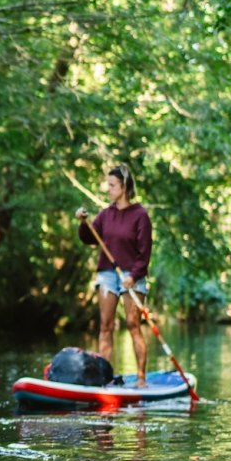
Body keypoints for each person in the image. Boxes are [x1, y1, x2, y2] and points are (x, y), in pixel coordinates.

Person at [75, 165, 154, 388]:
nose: (107, 189)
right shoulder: (105, 214)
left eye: (112, 185)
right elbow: (90, 238)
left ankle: (140, 378)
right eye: (107, 184)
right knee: (106, 326)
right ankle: (103, 378)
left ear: (124, 187)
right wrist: (83, 223)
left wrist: (135, 275)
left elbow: (145, 251)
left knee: (133, 325)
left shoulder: (140, 215)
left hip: (131, 275)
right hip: (108, 275)